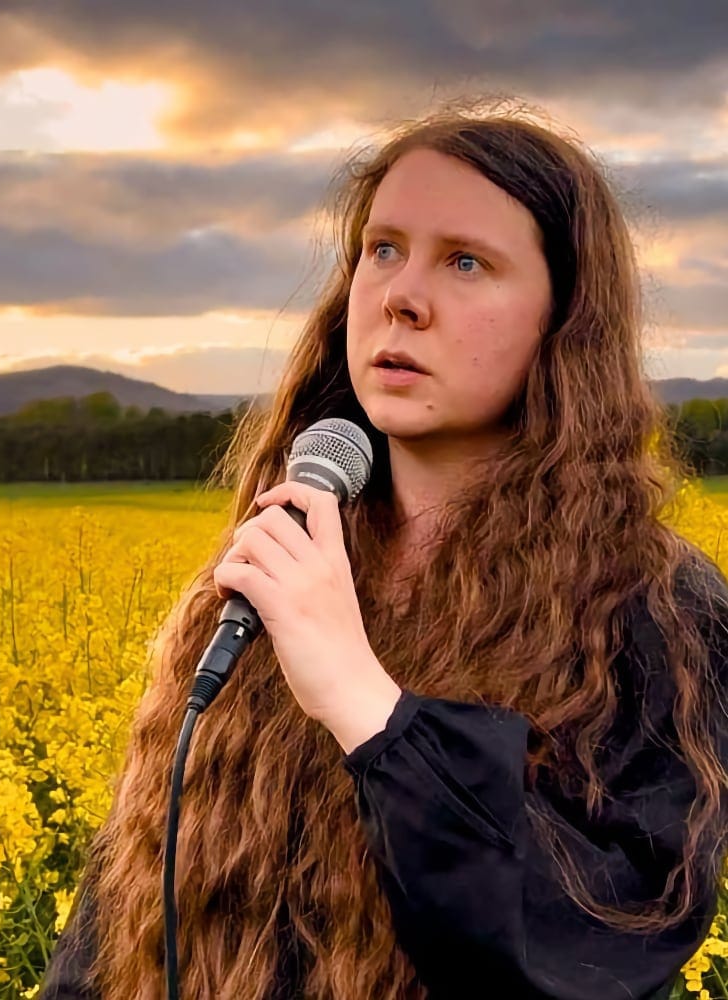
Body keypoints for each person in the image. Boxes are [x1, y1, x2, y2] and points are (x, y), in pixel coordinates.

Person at [40, 96, 728, 999]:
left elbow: (596, 945)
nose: (402, 296)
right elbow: (127, 909)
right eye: (384, 249)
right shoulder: (268, 565)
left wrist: (367, 706)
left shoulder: (655, 609)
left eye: (468, 262)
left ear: (562, 322)